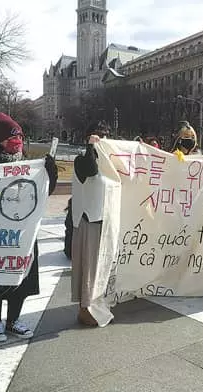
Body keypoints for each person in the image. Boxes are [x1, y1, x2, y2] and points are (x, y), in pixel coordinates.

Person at [0, 112, 58, 342]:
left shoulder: (28, 162)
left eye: (19, 137)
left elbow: (42, 193)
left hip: (23, 232)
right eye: (12, 138)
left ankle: (13, 320)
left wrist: (51, 172)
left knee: (21, 277)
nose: (16, 142)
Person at [71, 121, 116, 327]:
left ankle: (95, 303)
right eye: (98, 135)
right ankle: (85, 307)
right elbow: (89, 169)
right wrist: (90, 146)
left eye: (105, 135)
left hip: (104, 220)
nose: (102, 138)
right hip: (88, 220)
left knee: (101, 265)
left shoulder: (109, 162)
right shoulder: (82, 159)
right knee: (88, 267)